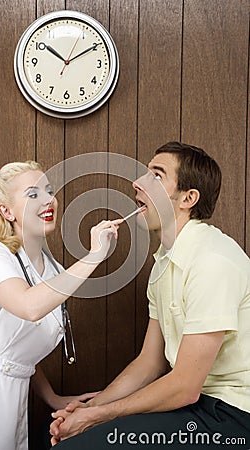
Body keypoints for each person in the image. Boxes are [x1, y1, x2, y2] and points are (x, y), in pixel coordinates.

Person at [50, 142, 250, 449]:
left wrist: (99, 416)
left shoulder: (212, 261)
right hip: (195, 406)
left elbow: (184, 386)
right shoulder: (164, 262)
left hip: (231, 416)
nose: (137, 182)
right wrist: (88, 409)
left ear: (188, 198)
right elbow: (150, 362)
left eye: (156, 175)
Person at [0, 161, 122, 450]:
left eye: (49, 191)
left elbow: (19, 350)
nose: (48, 200)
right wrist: (93, 257)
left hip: (12, 395)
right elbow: (29, 307)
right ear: (6, 211)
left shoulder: (53, 269)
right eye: (33, 194)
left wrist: (53, 398)